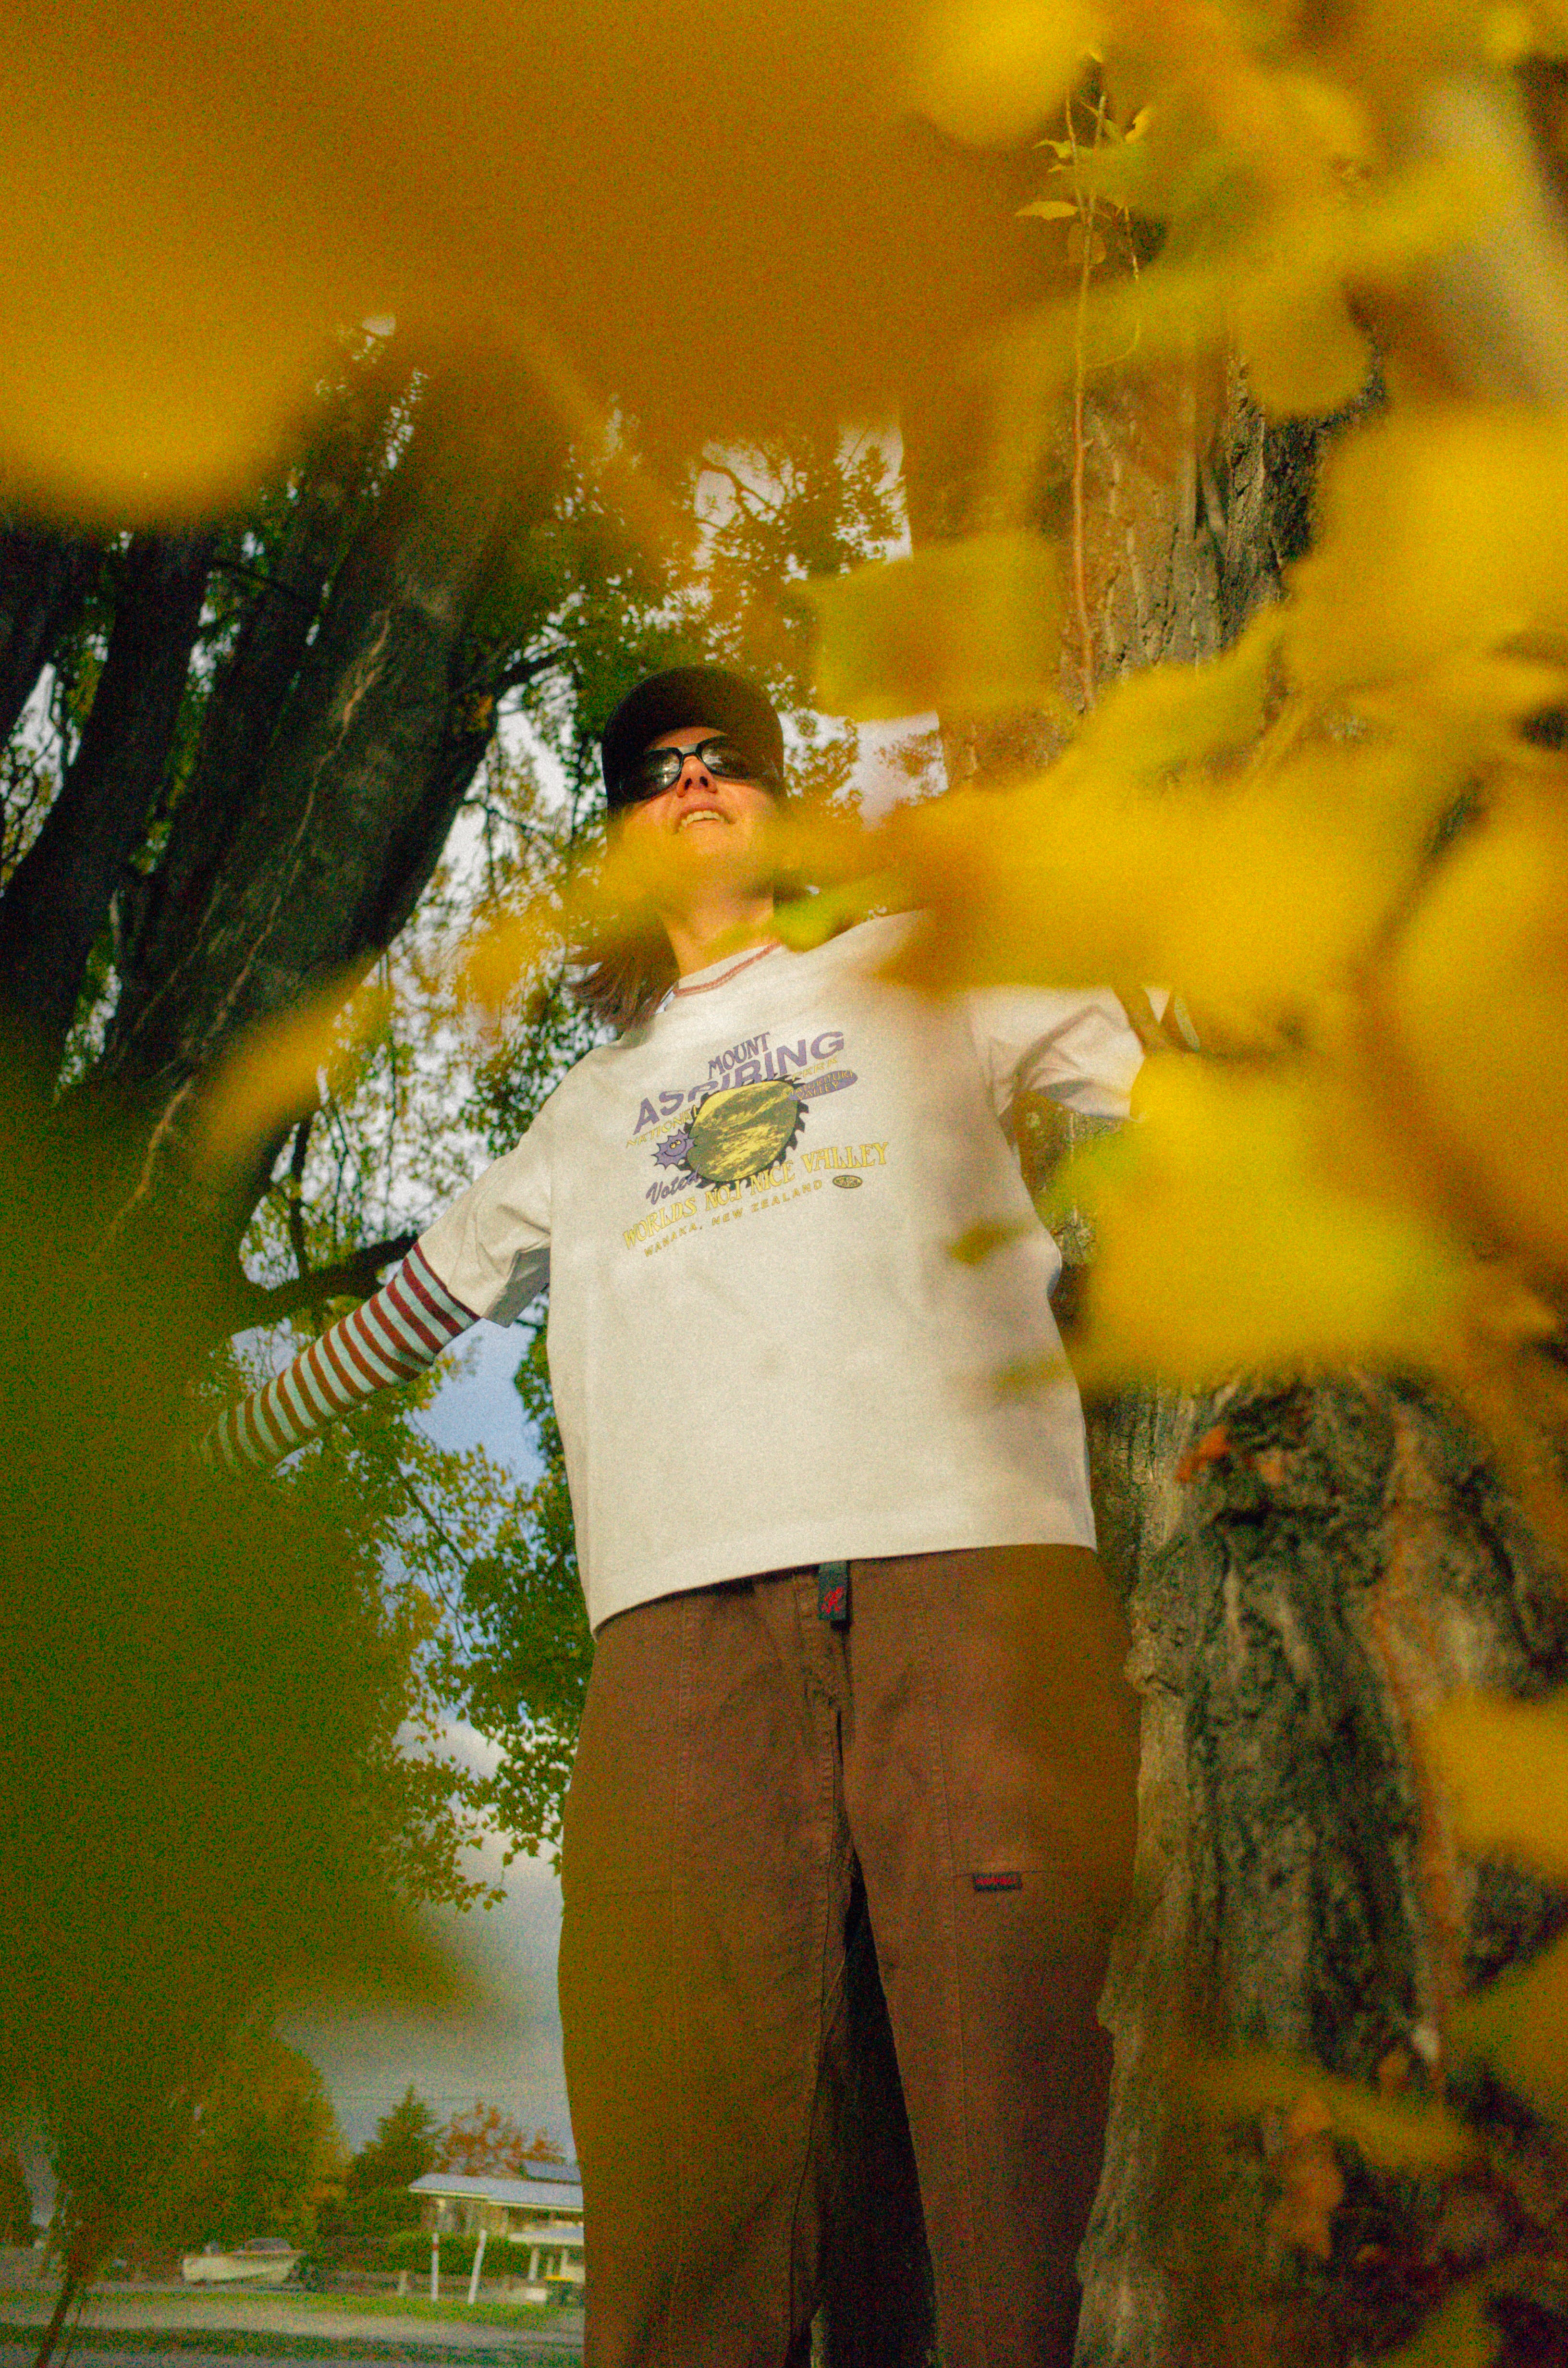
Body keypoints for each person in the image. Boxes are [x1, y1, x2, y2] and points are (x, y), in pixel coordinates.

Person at [206, 664, 1145, 2368]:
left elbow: (1164, 1088)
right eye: (654, 772)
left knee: (1019, 2158)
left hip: (977, 1578)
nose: (696, 782)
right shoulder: (579, 1115)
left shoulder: (933, 967)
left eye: (730, 762)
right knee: (684, 2159)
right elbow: (406, 1314)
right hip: (680, 1636)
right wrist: (203, 1461)